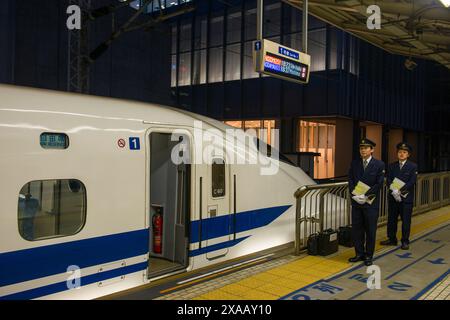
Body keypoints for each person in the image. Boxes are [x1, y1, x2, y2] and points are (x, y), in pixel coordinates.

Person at [348, 138, 385, 266]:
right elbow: (351, 180)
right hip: (357, 202)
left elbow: (379, 183)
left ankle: (369, 255)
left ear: (372, 150)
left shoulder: (379, 164)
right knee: (357, 229)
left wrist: (366, 195)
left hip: (370, 203)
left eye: (366, 148)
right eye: (361, 148)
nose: (363, 150)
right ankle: (359, 253)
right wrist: (355, 194)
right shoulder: (355, 163)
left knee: (370, 229)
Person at [380, 142, 418, 250]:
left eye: (404, 152)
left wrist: (400, 190)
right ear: (397, 153)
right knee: (391, 219)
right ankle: (392, 239)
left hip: (406, 199)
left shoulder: (413, 166)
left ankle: (405, 241)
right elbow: (388, 180)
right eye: (400, 152)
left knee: (406, 220)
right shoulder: (392, 166)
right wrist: (394, 190)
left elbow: (412, 181)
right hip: (393, 197)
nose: (401, 154)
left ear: (408, 154)